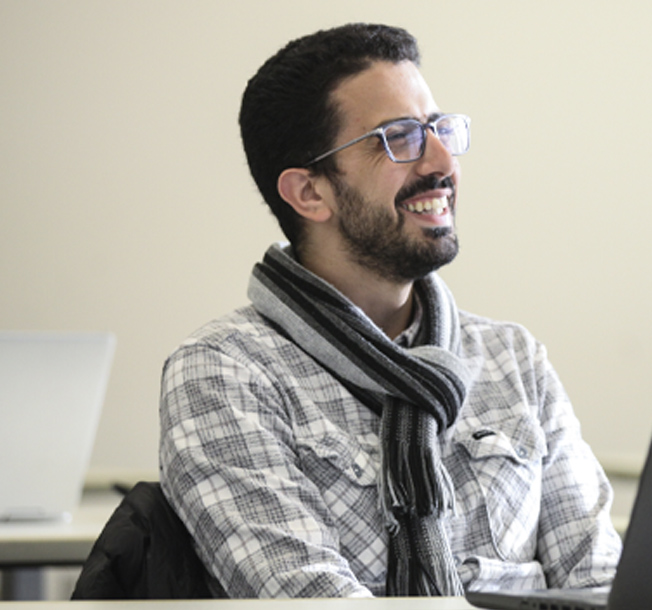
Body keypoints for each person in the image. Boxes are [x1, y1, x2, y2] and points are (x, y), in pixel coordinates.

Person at [158, 23, 622, 598]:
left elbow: (600, 581)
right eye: (398, 137)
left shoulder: (514, 359)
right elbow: (308, 597)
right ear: (310, 193)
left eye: (439, 128)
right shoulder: (225, 373)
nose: (441, 160)